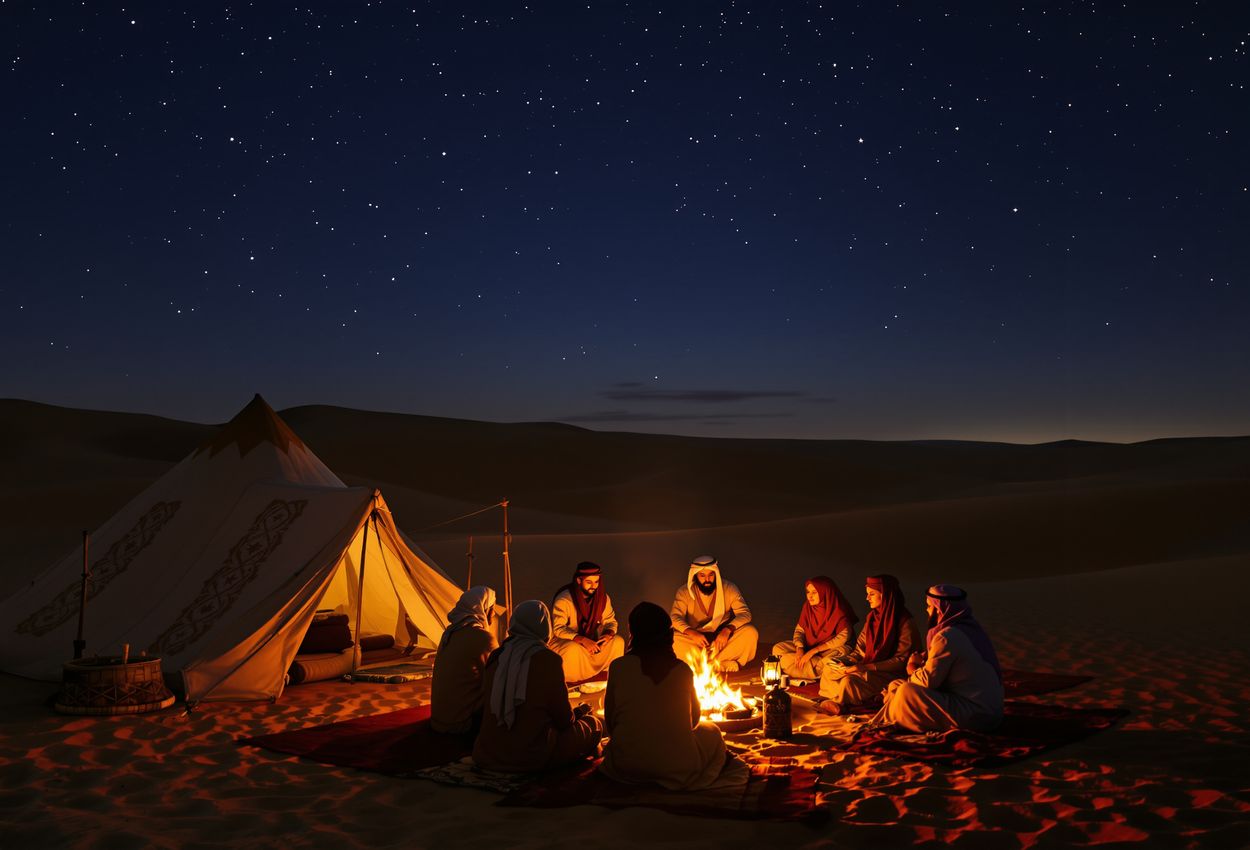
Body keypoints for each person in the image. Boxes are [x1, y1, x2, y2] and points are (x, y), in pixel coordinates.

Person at [599, 602, 740, 790]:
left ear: (633, 633)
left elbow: (610, 723)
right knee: (712, 731)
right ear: (668, 634)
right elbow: (694, 722)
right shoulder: (682, 669)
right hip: (677, 767)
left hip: (627, 766)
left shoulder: (618, 667)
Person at [472, 600, 603, 772]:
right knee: (593, 724)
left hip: (488, 753)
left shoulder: (497, 655)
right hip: (532, 755)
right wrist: (579, 713)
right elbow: (563, 720)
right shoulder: (548, 659)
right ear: (544, 626)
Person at [876, 584, 1004, 733]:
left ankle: (891, 718)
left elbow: (928, 681)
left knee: (905, 690)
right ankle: (893, 703)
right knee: (896, 685)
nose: (927, 611)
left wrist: (912, 667)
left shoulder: (946, 637)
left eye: (929, 606)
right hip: (991, 712)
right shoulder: (971, 629)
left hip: (973, 714)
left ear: (939, 609)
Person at [817, 574, 920, 715]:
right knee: (829, 667)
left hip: (887, 673)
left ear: (885, 595)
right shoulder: (872, 618)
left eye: (872, 594)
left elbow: (901, 661)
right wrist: (846, 663)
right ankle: (846, 696)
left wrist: (864, 667)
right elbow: (859, 650)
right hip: (864, 667)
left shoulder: (905, 623)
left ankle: (840, 702)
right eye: (867, 594)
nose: (867, 598)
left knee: (849, 681)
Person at [430, 585, 502, 734]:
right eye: (492, 608)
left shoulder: (449, 633)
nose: (494, 613)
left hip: (438, 720)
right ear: (485, 609)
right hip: (462, 723)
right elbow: (498, 678)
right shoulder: (482, 638)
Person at [670, 555, 758, 672]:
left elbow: (745, 614)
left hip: (722, 640)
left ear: (716, 574)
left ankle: (705, 666)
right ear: (695, 575)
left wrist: (727, 630)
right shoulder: (684, 591)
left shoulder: (729, 588)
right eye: (702, 575)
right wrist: (691, 633)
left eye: (711, 575)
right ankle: (720, 665)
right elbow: (675, 617)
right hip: (696, 641)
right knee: (672, 638)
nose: (707, 580)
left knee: (750, 633)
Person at [549, 561, 625, 682]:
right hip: (567, 643)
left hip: (592, 643)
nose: (593, 586)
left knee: (618, 641)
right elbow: (558, 628)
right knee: (572, 650)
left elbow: (611, 621)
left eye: (596, 582)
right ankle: (573, 683)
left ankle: (606, 678)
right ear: (579, 581)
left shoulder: (602, 599)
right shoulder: (564, 600)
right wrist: (582, 640)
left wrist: (606, 636)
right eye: (589, 582)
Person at [771, 576, 858, 681]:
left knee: (835, 657)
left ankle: (810, 669)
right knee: (778, 649)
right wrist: (800, 648)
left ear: (825, 593)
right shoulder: (808, 607)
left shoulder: (839, 610)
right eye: (808, 592)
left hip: (829, 650)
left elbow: (841, 640)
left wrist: (813, 652)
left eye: (814, 592)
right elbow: (800, 630)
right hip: (810, 646)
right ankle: (807, 667)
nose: (810, 596)